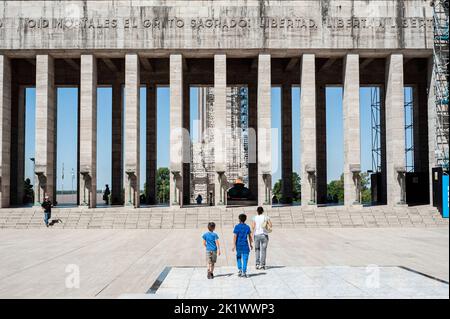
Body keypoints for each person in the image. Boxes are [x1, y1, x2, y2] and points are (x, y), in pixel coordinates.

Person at [232, 214, 253, 278]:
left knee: (238, 257)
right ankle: (244, 271)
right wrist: (251, 244)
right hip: (245, 245)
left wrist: (234, 245)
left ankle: (240, 269)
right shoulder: (247, 227)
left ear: (239, 219)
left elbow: (235, 236)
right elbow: (249, 236)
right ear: (245, 219)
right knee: (245, 258)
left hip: (238, 245)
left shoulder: (237, 227)